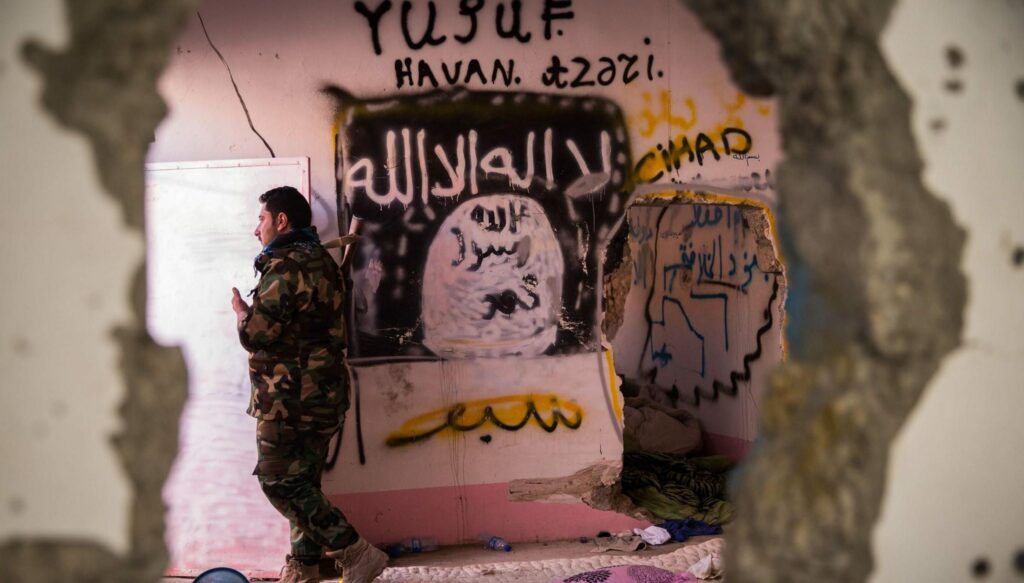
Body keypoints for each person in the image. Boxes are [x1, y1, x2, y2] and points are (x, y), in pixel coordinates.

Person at [230, 186, 387, 583]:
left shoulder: (287, 266)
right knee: (304, 483)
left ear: (281, 221)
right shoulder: (320, 260)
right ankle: (304, 566)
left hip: (289, 399)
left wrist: (242, 314)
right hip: (323, 396)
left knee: (278, 481)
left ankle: (355, 551)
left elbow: (258, 334)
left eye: (262, 219)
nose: (256, 229)